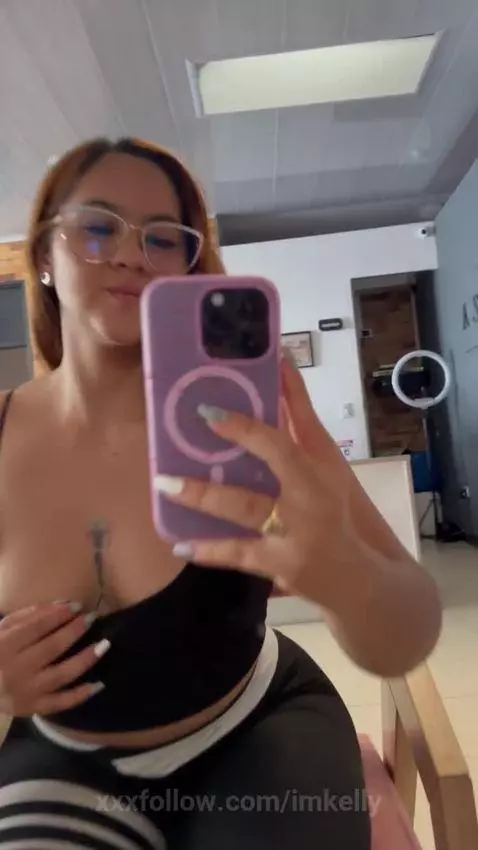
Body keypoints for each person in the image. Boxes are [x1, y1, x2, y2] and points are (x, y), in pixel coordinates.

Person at [0, 137, 442, 850]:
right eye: (98, 227)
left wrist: (343, 577)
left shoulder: (250, 421)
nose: (132, 253)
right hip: (63, 760)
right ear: (44, 255)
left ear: (190, 264)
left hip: (259, 726)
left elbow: (411, 630)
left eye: (163, 237)